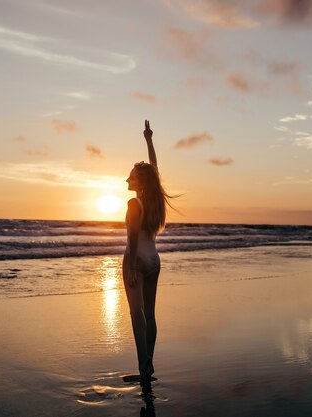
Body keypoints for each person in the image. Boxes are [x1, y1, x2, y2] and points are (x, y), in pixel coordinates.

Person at [123, 120, 174, 394]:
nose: (127, 179)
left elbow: (131, 240)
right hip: (154, 261)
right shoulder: (155, 201)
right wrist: (149, 140)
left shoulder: (134, 203)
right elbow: (155, 169)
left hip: (136, 261)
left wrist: (130, 270)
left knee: (136, 314)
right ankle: (149, 362)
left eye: (131, 175)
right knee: (150, 316)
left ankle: (143, 365)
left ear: (139, 181)